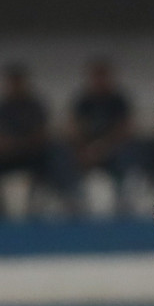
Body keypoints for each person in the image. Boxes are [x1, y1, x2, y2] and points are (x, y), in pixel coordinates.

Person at [0, 63, 51, 217]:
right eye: (11, 82)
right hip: (5, 155)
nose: (14, 86)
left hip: (29, 154)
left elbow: (41, 134)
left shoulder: (34, 106)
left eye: (17, 82)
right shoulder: (1, 107)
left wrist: (18, 144)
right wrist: (2, 145)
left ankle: (37, 205)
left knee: (49, 155)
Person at [60, 60, 134, 213]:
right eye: (96, 77)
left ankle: (124, 203)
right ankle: (70, 204)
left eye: (103, 76)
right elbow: (73, 128)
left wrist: (103, 147)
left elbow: (125, 129)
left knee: (130, 155)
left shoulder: (118, 101)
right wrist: (87, 150)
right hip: (86, 152)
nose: (100, 81)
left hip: (113, 151)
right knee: (63, 157)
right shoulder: (83, 101)